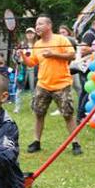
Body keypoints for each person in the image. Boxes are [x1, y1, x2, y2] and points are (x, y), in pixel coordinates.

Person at [17, 15, 82, 155]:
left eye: (40, 24)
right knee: (39, 114)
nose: (37, 27)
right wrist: (23, 56)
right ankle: (36, 141)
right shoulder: (38, 44)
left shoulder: (61, 39)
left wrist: (54, 54)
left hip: (61, 83)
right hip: (43, 84)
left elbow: (72, 55)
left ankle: (75, 143)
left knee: (68, 115)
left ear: (49, 26)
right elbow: (31, 63)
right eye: (36, 24)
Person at [76, 16, 95, 121]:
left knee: (85, 91)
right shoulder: (89, 34)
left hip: (89, 67)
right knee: (87, 91)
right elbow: (82, 49)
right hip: (85, 67)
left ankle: (81, 115)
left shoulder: (94, 34)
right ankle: (81, 115)